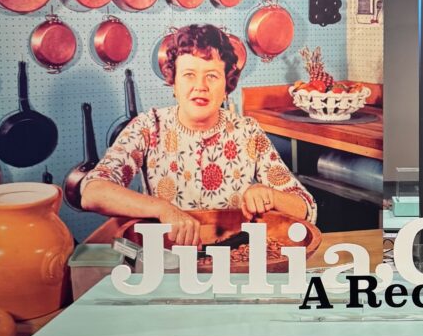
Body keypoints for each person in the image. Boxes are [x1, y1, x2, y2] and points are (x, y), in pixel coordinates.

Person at [81, 24, 316, 246]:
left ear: (226, 85)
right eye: (189, 74)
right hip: (166, 260)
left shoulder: (247, 131)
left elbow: (306, 208)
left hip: (233, 260)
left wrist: (270, 195)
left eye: (212, 76)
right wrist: (162, 208)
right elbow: (93, 192)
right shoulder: (148, 127)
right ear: (174, 83)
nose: (200, 86)